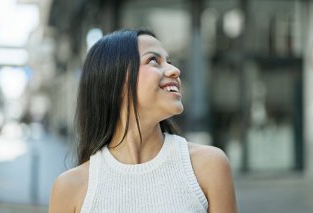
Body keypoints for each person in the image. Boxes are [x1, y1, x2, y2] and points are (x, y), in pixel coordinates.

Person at [49, 28, 237, 213]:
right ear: (116, 80)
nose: (175, 70)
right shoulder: (70, 188)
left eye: (169, 61)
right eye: (154, 60)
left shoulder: (209, 166)